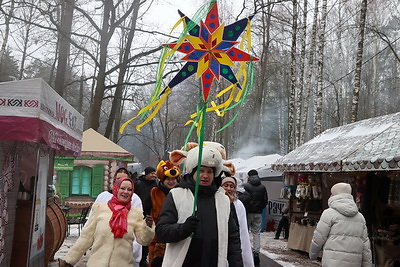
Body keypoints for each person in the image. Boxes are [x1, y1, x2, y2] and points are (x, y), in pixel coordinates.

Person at [156, 145, 243, 266]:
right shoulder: (177, 195)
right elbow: (161, 232)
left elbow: (233, 238)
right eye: (201, 170)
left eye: (209, 171)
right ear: (193, 171)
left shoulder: (223, 200)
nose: (205, 175)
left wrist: (237, 264)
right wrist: (183, 229)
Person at [59, 177, 155, 266]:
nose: (126, 192)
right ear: (116, 189)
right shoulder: (100, 209)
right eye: (122, 188)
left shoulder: (135, 214)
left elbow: (144, 240)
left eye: (129, 190)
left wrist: (148, 227)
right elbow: (85, 238)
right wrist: (69, 261)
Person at [88, 171, 143, 267]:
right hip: (102, 254)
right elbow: (90, 224)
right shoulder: (103, 197)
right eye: (118, 180)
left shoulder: (135, 199)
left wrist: (132, 251)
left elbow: (139, 229)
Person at [309, 182, 373, 266]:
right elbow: (366, 246)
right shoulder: (360, 217)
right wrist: (367, 265)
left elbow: (318, 237)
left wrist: (313, 254)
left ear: (334, 195)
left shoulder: (328, 214)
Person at [149, 160, 180, 267]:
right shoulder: (155, 192)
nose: (171, 182)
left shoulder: (181, 193)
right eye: (168, 179)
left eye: (173, 179)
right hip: (157, 238)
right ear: (163, 180)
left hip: (176, 237)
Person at [220, 176, 254, 267]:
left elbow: (242, 228)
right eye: (226, 185)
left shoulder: (238, 204)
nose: (228, 188)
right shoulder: (217, 202)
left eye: (231, 186)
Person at [135, 166, 159, 267]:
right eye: (151, 173)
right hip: (139, 213)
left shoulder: (156, 185)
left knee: (148, 237)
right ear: (146, 174)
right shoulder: (139, 184)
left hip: (150, 214)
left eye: (154, 173)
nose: (153, 175)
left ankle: (144, 258)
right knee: (139, 236)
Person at [244, 169, 268, 266]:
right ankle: (256, 252)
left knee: (245, 232)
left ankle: (245, 253)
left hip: (248, 212)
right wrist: (260, 209)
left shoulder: (246, 186)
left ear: (249, 176)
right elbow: (265, 200)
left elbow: (244, 199)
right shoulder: (263, 187)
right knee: (256, 233)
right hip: (258, 213)